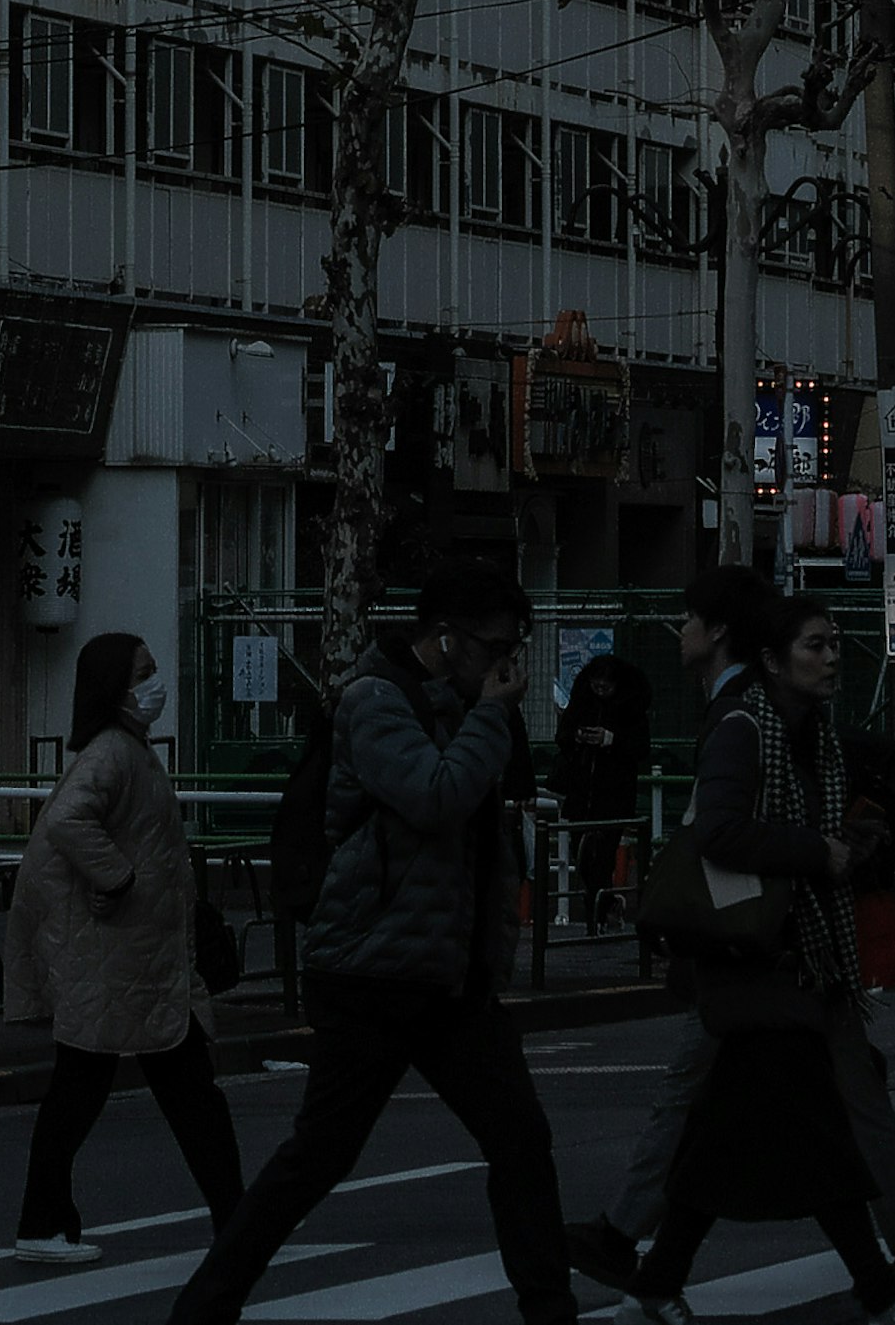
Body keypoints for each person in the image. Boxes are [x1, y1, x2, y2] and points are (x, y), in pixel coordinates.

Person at [160, 558, 576, 1325]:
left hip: (449, 975)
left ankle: (552, 1311)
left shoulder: (460, 700)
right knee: (316, 1158)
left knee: (521, 1138)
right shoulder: (375, 698)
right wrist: (490, 714)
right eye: (493, 647)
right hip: (371, 972)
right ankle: (203, 1308)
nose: (504, 665)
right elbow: (436, 797)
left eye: (513, 649)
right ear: (445, 637)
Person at [571, 575, 895, 1319]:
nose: (832, 658)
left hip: (794, 961)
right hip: (761, 962)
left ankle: (651, 1278)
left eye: (836, 644)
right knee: (816, 1131)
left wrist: (844, 840)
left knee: (735, 1130)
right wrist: (816, 851)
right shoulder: (746, 728)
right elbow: (717, 830)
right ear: (773, 659)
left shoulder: (806, 733)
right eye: (815, 645)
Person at [4, 634, 245, 1266]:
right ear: (116, 686)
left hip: (135, 965)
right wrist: (119, 877)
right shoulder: (114, 754)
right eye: (143, 673)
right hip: (124, 966)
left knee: (107, 1095)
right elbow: (67, 823)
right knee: (180, 1099)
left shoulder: (123, 750)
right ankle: (235, 1223)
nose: (154, 684)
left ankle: (46, 1220)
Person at [557, 644, 651, 930]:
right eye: (596, 683)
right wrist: (577, 736)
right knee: (582, 855)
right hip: (582, 792)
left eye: (605, 684)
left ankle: (596, 914)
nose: (600, 689)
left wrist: (610, 740)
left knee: (603, 855)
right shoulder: (581, 704)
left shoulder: (631, 711)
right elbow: (561, 735)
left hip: (612, 795)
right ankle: (605, 905)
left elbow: (640, 747)